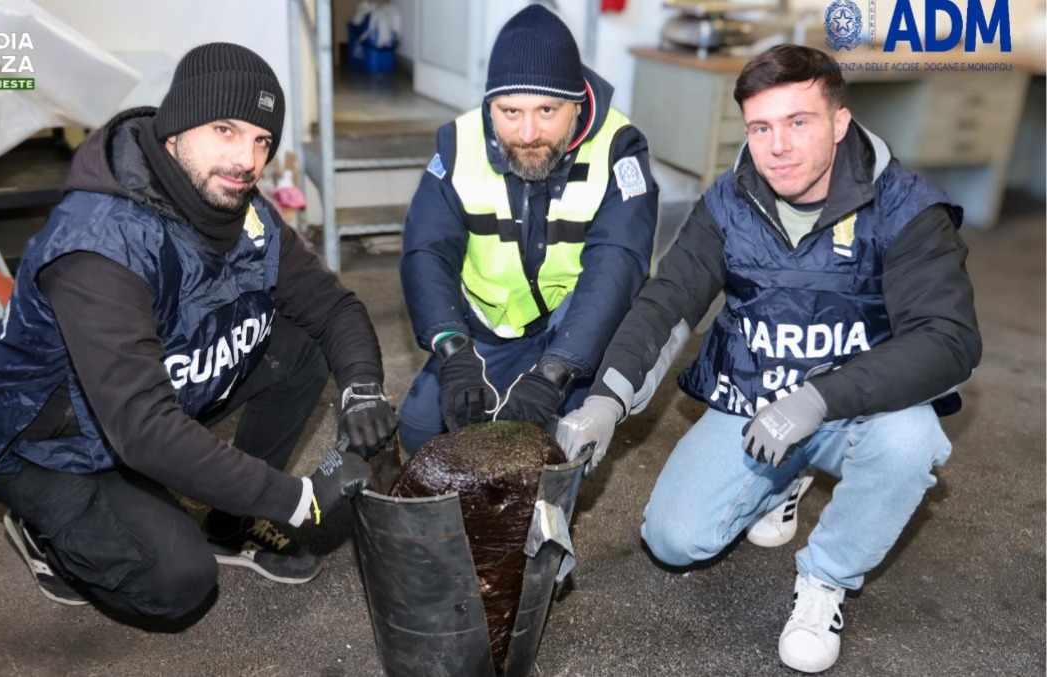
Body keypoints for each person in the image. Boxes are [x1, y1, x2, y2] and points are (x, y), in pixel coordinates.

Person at [555, 44, 980, 673]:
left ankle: (828, 579)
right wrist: (605, 400)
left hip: (864, 406)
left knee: (911, 443)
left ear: (838, 122)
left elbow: (948, 339)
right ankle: (786, 479)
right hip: (757, 401)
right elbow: (667, 302)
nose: (777, 145)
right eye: (761, 127)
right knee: (673, 541)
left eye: (798, 122)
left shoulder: (908, 209)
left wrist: (820, 399)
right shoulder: (728, 203)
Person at [0, 43, 397, 622]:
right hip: (53, 442)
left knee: (301, 344)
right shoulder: (98, 245)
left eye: (262, 140)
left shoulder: (241, 208)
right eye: (225, 129)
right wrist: (297, 500)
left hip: (148, 395)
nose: (246, 158)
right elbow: (143, 429)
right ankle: (45, 530)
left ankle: (229, 520)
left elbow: (333, 307)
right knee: (179, 583)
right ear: (174, 131)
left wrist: (362, 386)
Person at [398, 5, 657, 453]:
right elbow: (426, 250)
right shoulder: (459, 145)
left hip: (573, 325)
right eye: (510, 110)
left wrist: (556, 369)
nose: (528, 131)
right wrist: (452, 349)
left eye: (547, 110)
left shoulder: (619, 148)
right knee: (421, 431)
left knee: (565, 442)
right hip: (489, 326)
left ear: (576, 104)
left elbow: (617, 264)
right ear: (490, 105)